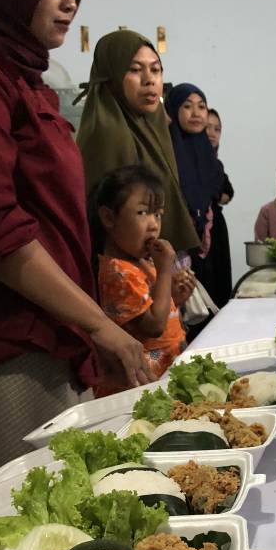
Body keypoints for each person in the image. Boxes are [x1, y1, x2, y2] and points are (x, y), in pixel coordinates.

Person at [0, 0, 152, 469]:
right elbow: (3, 232)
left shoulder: (27, 82)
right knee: (31, 512)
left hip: (57, 333)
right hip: (17, 346)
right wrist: (100, 324)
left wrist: (88, 326)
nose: (69, 1)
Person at [77, 30, 199, 252]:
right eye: (134, 69)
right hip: (130, 265)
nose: (149, 80)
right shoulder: (109, 133)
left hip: (157, 259)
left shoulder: (153, 126)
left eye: (155, 70)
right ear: (112, 76)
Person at [89, 165, 195, 397]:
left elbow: (153, 308)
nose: (154, 224)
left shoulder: (141, 263)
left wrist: (174, 296)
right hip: (141, 388)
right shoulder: (118, 271)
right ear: (108, 217)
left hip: (164, 375)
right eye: (142, 213)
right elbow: (154, 326)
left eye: (158, 214)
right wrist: (165, 270)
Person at [167, 83, 224, 303]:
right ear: (174, 110)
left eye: (201, 106)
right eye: (187, 106)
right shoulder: (167, 149)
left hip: (210, 239)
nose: (196, 113)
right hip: (179, 244)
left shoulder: (207, 153)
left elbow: (221, 188)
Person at [205, 108, 234, 307]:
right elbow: (217, 192)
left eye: (217, 129)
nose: (212, 133)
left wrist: (216, 196)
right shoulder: (186, 160)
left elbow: (227, 192)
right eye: (207, 127)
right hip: (199, 234)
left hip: (216, 230)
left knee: (221, 287)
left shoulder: (216, 164)